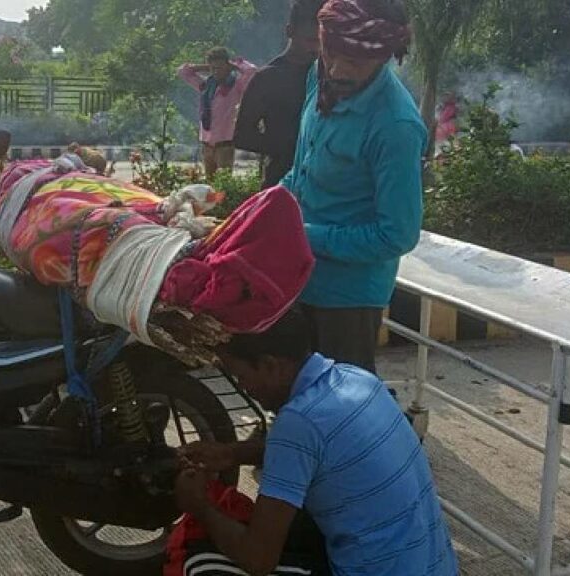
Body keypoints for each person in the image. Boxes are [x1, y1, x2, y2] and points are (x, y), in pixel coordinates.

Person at [173, 309, 458, 576]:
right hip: (435, 567)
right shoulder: (358, 379)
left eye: (241, 376)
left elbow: (258, 559)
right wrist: (233, 454)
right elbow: (321, 453)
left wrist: (199, 506)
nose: (242, 387)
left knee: (200, 562)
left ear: (270, 365)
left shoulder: (298, 422)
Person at [279, 0, 427, 374]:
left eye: (355, 63)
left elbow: (398, 234)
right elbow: (302, 170)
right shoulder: (320, 77)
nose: (339, 69)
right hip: (298, 275)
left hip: (348, 299)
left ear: (385, 57)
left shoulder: (395, 126)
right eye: (332, 54)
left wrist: (307, 235)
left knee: (341, 407)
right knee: (292, 392)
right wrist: (268, 208)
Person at [234, 0, 325, 190]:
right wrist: (291, 145)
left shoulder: (329, 75)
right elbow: (242, 135)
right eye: (310, 40)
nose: (315, 48)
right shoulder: (267, 78)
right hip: (280, 181)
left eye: (321, 41)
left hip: (323, 185)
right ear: (290, 31)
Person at [178, 47, 259, 178]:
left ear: (227, 66)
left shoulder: (236, 86)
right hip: (207, 144)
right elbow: (183, 72)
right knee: (210, 184)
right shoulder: (205, 85)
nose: (216, 71)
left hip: (224, 144)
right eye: (213, 68)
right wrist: (204, 67)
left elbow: (251, 71)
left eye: (219, 67)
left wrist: (234, 65)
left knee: (223, 184)